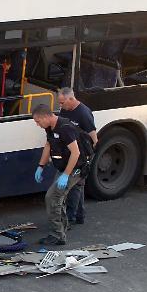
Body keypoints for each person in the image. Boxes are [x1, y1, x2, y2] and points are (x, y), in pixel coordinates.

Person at [32, 104, 86, 245]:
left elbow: (76, 153)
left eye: (38, 121)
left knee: (52, 197)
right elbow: (48, 146)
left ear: (46, 116)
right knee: (59, 197)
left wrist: (67, 174)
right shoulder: (50, 127)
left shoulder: (65, 128)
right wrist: (40, 166)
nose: (38, 125)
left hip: (74, 169)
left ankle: (57, 235)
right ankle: (63, 227)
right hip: (64, 168)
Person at [57, 87, 98, 225]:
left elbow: (94, 138)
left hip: (82, 155)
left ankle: (72, 217)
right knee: (78, 186)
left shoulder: (84, 113)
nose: (60, 106)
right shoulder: (65, 109)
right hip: (71, 153)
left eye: (62, 102)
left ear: (71, 99)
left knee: (75, 186)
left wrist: (86, 159)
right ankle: (79, 215)